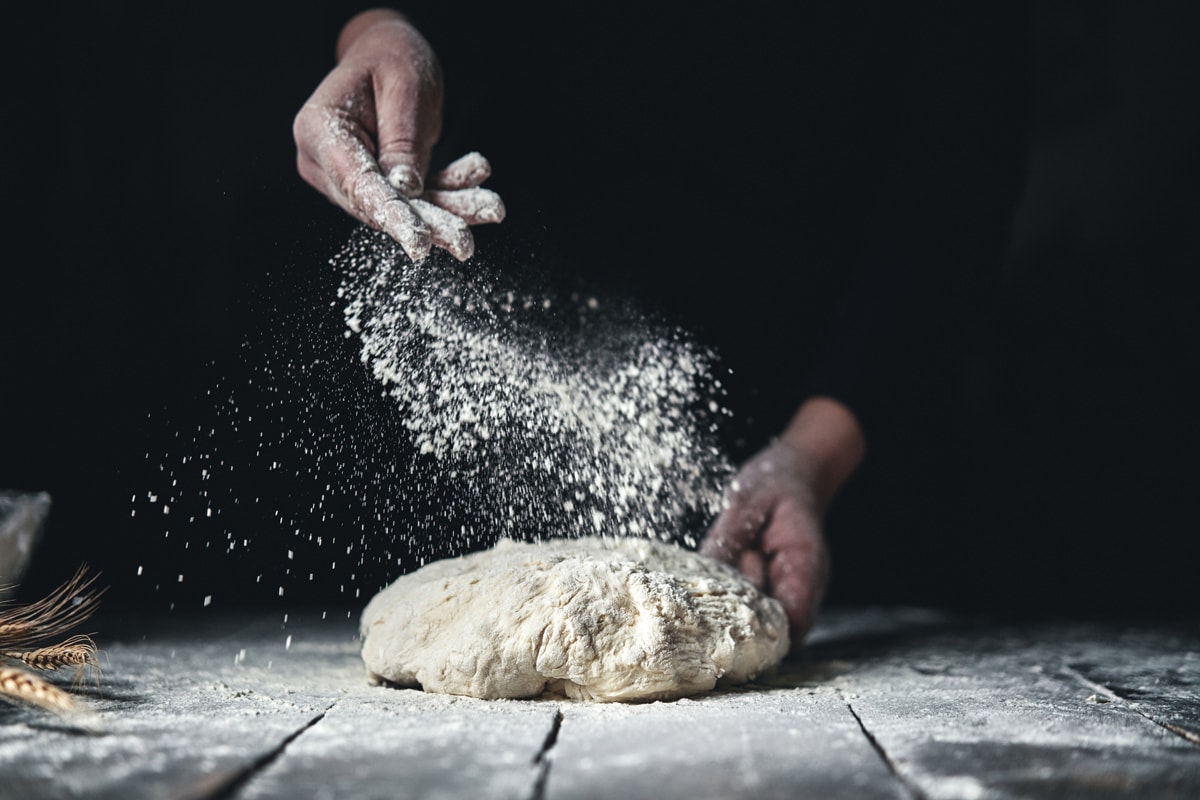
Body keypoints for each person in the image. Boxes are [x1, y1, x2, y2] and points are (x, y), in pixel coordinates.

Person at [295, 6, 1199, 642]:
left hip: (828, 463)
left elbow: (946, 212)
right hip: (495, 375)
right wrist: (380, 29)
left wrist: (812, 457)